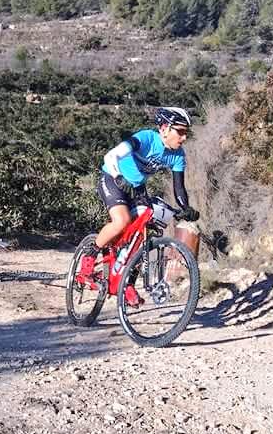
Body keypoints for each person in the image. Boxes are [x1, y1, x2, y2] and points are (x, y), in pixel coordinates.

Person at [78, 106, 200, 305]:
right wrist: (118, 177)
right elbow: (110, 156)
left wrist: (185, 208)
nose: (184, 137)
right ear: (164, 128)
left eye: (187, 133)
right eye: (181, 131)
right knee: (122, 221)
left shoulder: (178, 155)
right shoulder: (146, 138)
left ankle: (127, 282)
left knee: (144, 232)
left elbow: (179, 188)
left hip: (137, 187)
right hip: (112, 178)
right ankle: (89, 258)